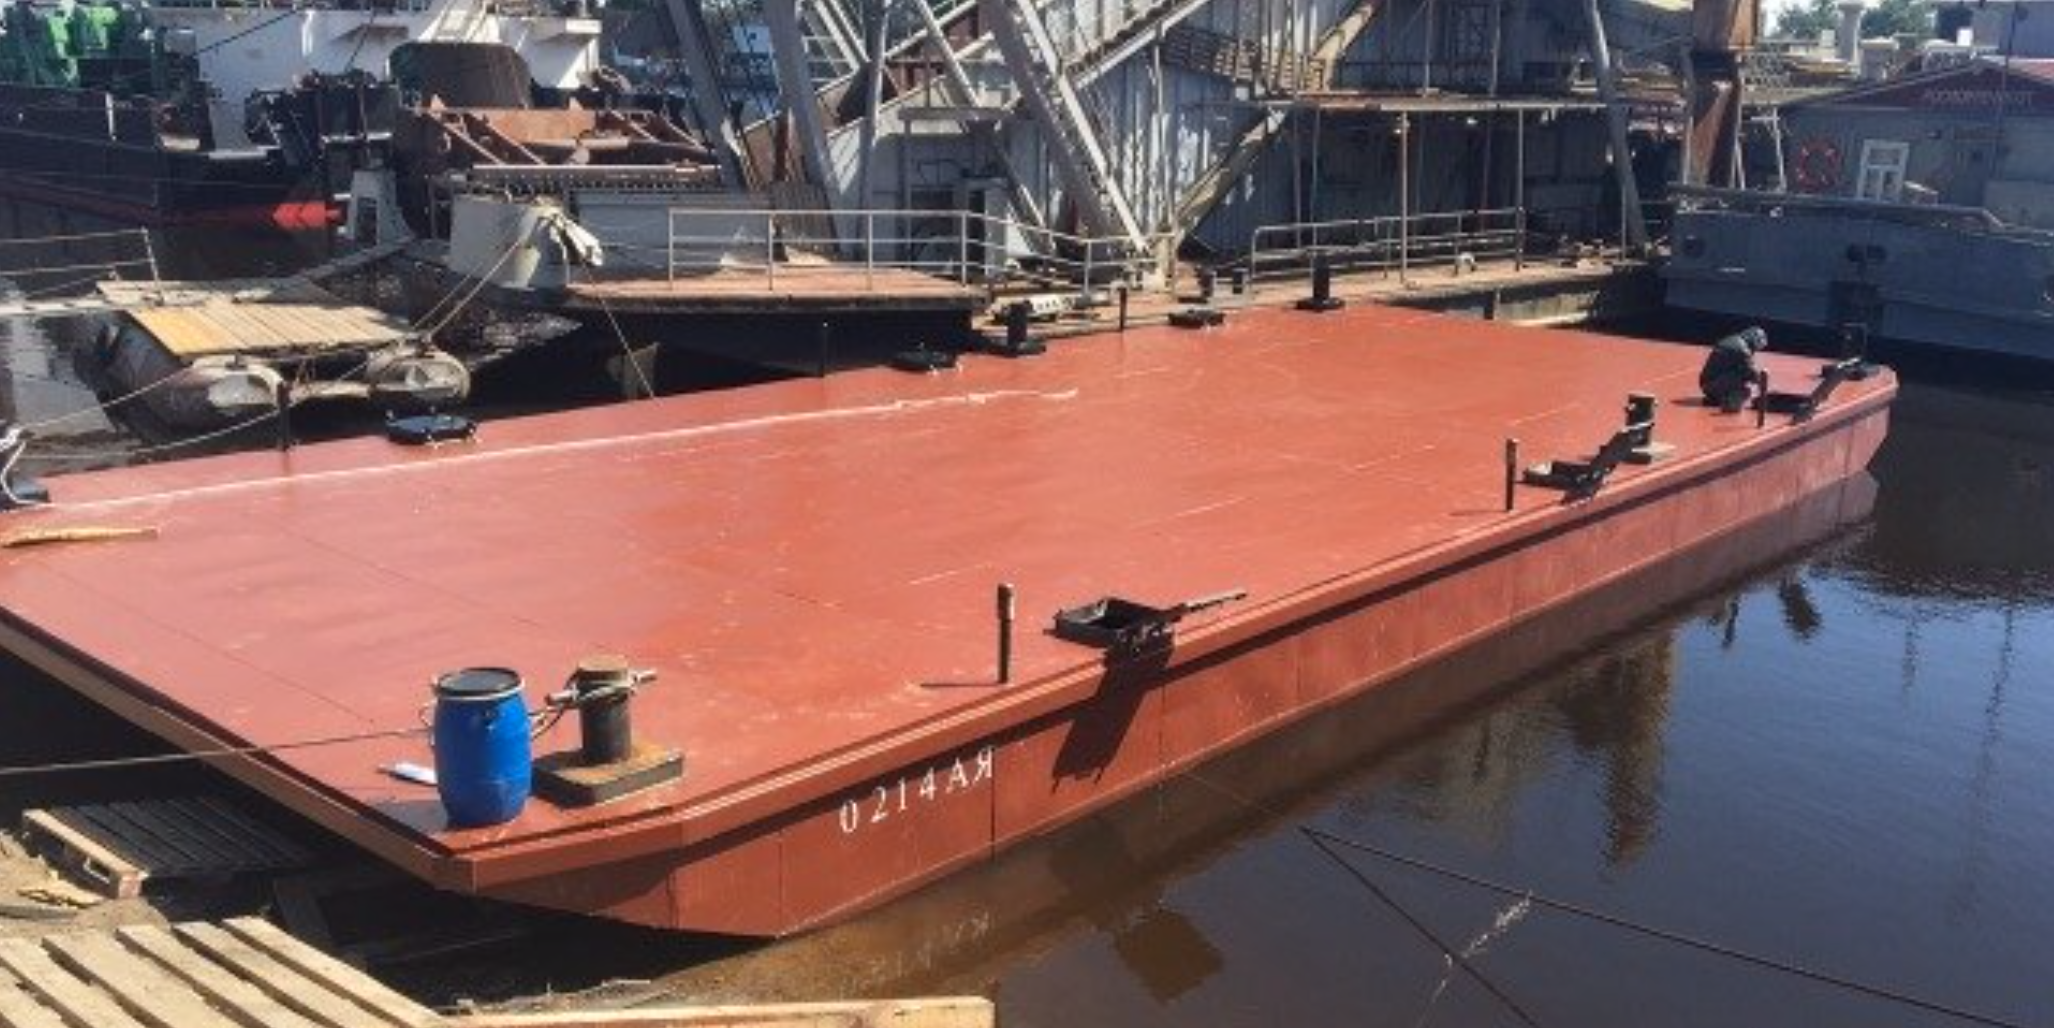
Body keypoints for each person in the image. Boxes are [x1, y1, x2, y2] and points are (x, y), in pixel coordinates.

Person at [1700, 326, 1767, 413]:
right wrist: (1763, 386)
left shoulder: (1733, 340)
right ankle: (1730, 403)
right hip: (1711, 385)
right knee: (1745, 389)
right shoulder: (1742, 350)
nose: (1755, 350)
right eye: (1756, 347)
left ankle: (1717, 397)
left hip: (1707, 382)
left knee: (1742, 376)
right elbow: (1751, 373)